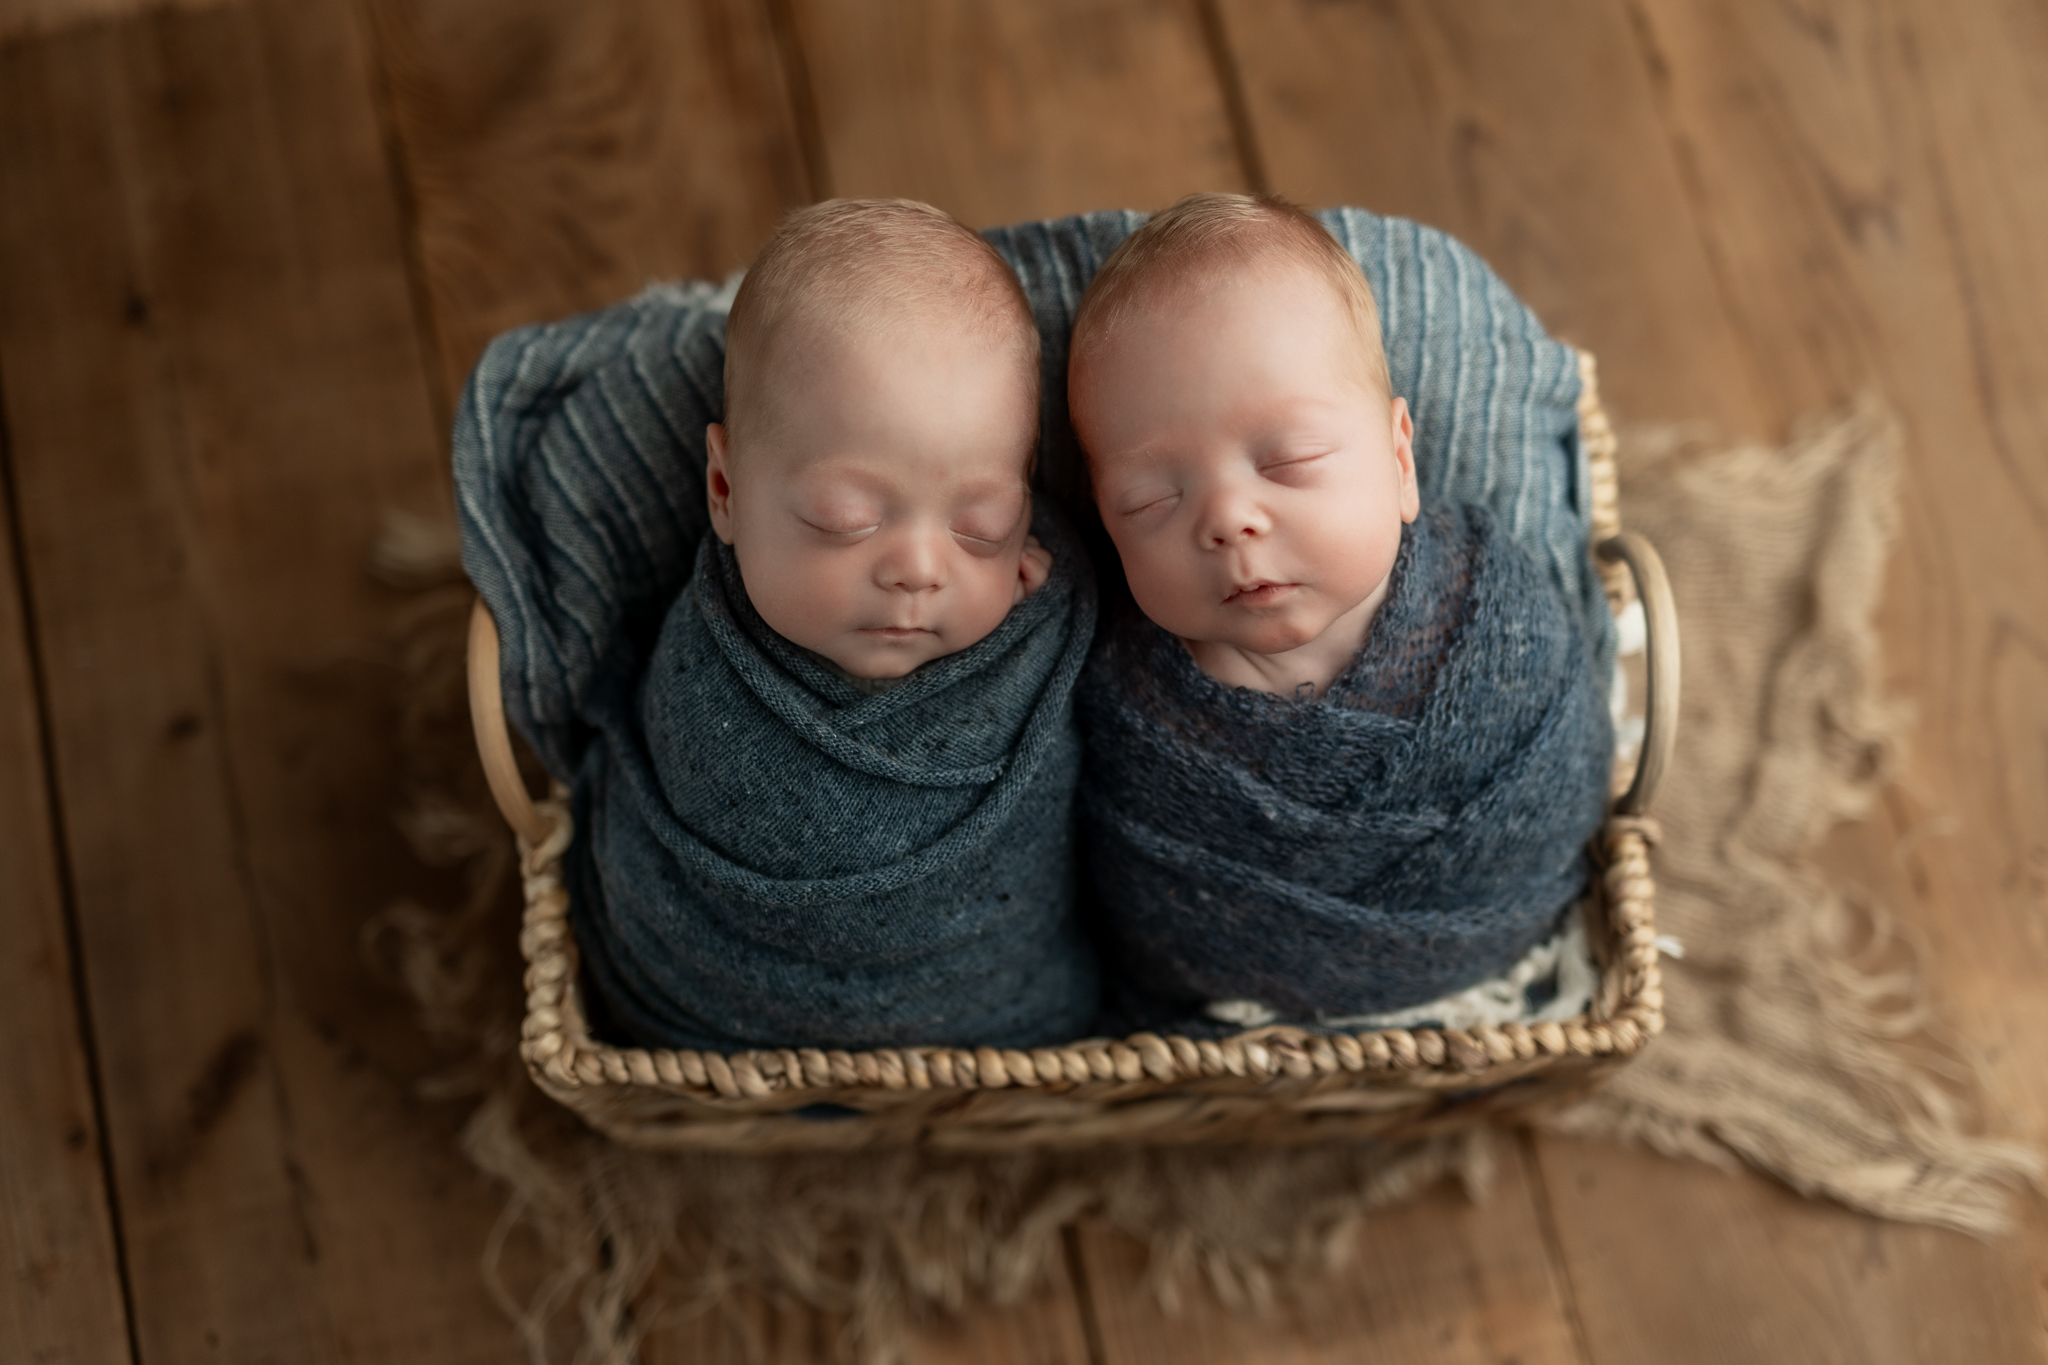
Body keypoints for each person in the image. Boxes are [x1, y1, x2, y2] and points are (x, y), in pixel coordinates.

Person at [1066, 192, 1613, 1029]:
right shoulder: (1125, 701)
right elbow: (1126, 888)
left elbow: (1565, 782)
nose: (1226, 519)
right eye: (1150, 500)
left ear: (1401, 460)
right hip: (1231, 1029)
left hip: (1490, 980)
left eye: (1288, 460)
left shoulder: (1493, 618)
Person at [568, 198, 1099, 1052]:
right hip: (717, 1003)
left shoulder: (1049, 616)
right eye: (846, 518)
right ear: (726, 492)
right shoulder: (705, 672)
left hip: (998, 993)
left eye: (982, 524)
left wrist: (1039, 584)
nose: (920, 568)